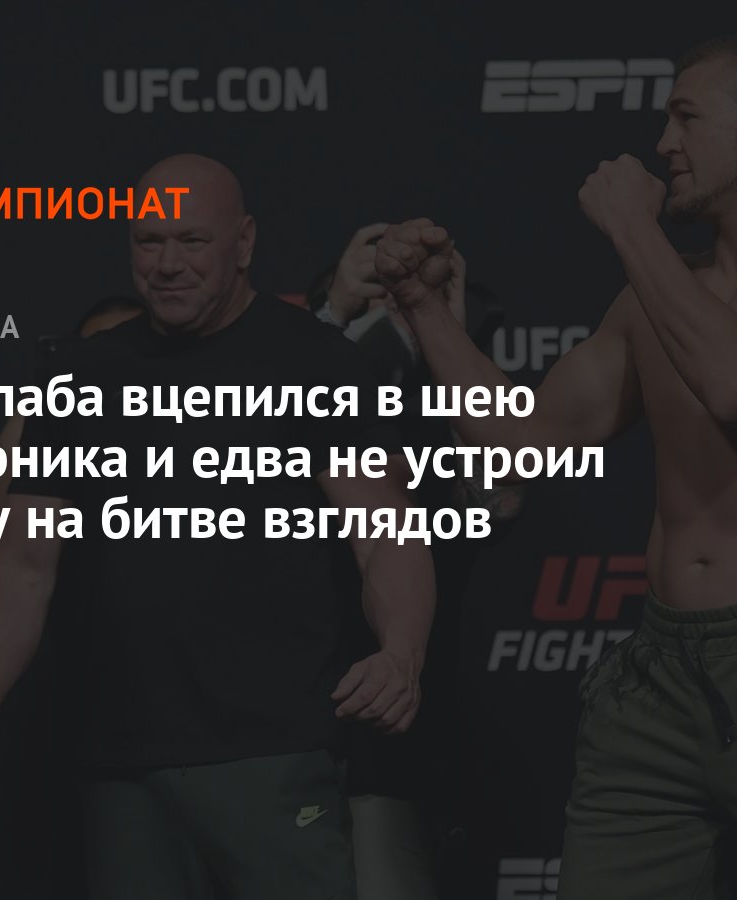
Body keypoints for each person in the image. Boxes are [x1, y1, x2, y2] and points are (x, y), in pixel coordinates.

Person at [375, 33, 737, 900]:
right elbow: (520, 446)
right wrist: (425, 309)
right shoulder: (662, 290)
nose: (662, 143)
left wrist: (631, 229)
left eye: (685, 118)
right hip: (660, 675)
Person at [0, 153, 436, 900]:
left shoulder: (317, 365)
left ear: (244, 242)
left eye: (192, 241)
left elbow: (386, 537)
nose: (168, 263)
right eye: (149, 240)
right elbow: (22, 565)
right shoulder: (80, 377)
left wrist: (401, 653)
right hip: (119, 768)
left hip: (273, 755)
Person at [311, 226, 524, 900]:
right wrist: (333, 315)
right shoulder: (306, 386)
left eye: (421, 289)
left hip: (397, 744)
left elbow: (502, 495)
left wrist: (443, 332)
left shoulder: (450, 421)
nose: (401, 302)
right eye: (384, 288)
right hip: (278, 738)